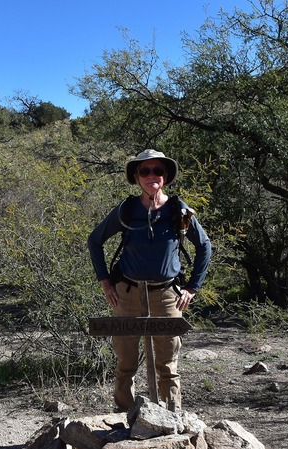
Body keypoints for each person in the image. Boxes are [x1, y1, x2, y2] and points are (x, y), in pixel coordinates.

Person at [87, 149, 212, 411]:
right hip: (127, 294)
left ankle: (171, 418)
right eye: (145, 171)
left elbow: (205, 246)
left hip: (167, 296)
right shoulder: (126, 209)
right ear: (137, 177)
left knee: (167, 365)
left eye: (157, 170)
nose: (151, 175)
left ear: (165, 176)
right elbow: (94, 241)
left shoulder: (179, 210)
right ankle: (124, 418)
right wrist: (105, 282)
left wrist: (192, 288)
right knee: (126, 364)